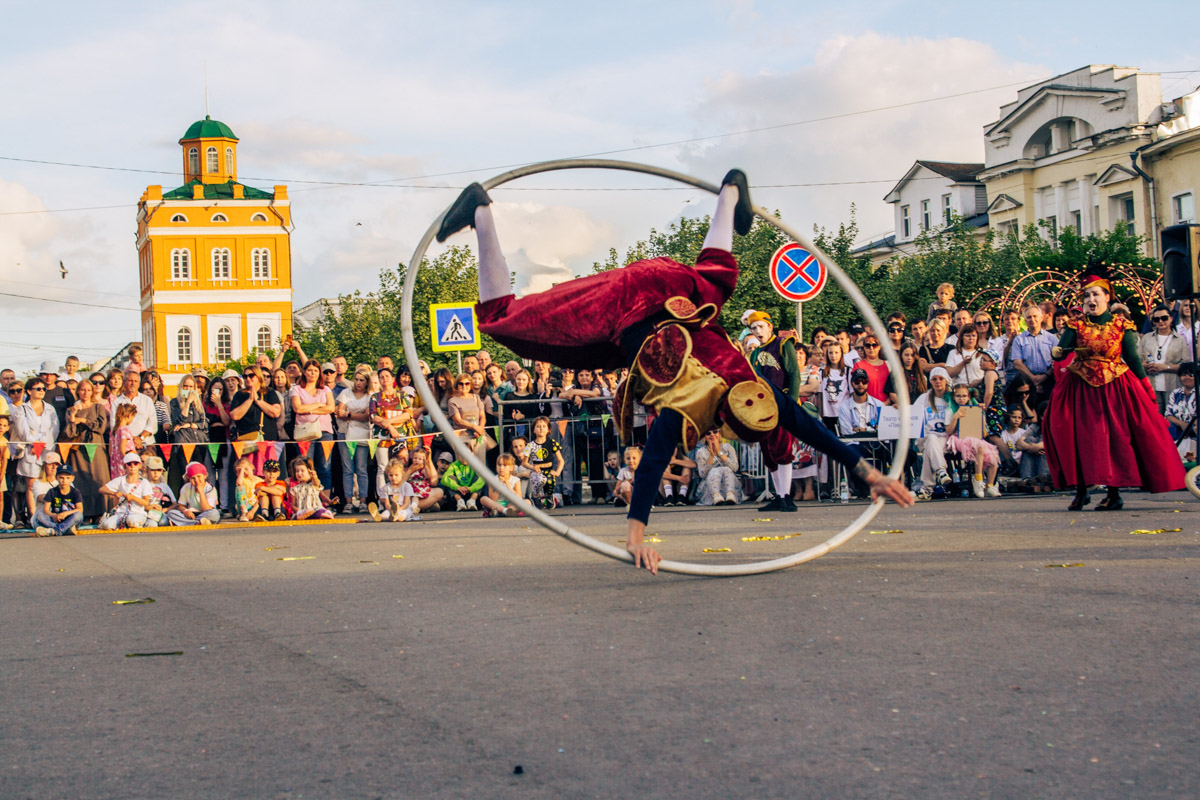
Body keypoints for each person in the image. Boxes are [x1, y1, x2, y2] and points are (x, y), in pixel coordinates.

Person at [439, 170, 911, 573]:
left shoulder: (753, 383)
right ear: (728, 421)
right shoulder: (695, 405)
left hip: (679, 289)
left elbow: (804, 424)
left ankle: (730, 191)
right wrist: (635, 534)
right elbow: (652, 463)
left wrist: (867, 471)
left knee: (716, 275)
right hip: (628, 301)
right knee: (507, 320)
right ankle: (481, 211)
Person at [1046, 268, 1185, 510]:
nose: (1091, 300)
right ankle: (1081, 490)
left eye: (1096, 294)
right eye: (1087, 296)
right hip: (1081, 387)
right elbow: (1062, 350)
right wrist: (1059, 351)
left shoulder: (1123, 325)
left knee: (1115, 438)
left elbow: (1132, 359)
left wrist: (1147, 391)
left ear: (1107, 297)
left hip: (1115, 388)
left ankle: (1114, 492)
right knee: (1077, 436)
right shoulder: (1075, 324)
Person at [747, 310, 801, 512]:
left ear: (770, 326)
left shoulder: (783, 344)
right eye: (753, 328)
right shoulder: (754, 353)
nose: (757, 331)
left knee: (783, 450)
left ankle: (786, 496)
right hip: (763, 409)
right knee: (769, 453)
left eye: (761, 326)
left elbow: (794, 373)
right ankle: (779, 496)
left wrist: (792, 402)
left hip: (782, 405)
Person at [63, 375, 110, 522]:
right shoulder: (71, 409)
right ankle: (85, 513)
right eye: (82, 390)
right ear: (78, 392)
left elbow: (101, 428)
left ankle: (100, 512)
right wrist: (73, 417)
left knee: (98, 478)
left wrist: (83, 420)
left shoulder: (98, 407)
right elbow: (70, 433)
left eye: (88, 390)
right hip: (79, 448)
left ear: (92, 392)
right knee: (81, 480)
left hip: (96, 447)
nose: (85, 393)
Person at [16, 377, 61, 525]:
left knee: (49, 482)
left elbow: (54, 429)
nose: (42, 391)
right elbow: (23, 432)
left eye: (43, 389)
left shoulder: (50, 408)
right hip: (31, 451)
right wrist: (35, 442)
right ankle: (33, 516)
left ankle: (49, 514)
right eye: (38, 389)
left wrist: (44, 443)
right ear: (29, 391)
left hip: (47, 449)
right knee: (31, 485)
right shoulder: (22, 409)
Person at [945, 384, 1001, 498]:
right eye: (958, 396)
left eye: (964, 396)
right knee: (978, 447)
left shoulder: (975, 408)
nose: (961, 398)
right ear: (954, 397)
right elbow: (949, 431)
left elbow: (984, 432)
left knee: (993, 455)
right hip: (959, 437)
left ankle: (990, 485)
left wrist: (981, 414)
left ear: (969, 397)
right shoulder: (950, 409)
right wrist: (956, 417)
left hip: (975, 437)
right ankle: (978, 480)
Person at [290, 360, 336, 493]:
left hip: (325, 430)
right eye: (310, 370)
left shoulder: (325, 389)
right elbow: (298, 408)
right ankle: (305, 498)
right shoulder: (297, 389)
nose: (313, 373)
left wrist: (308, 410)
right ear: (304, 372)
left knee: (325, 467)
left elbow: (331, 408)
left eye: (316, 371)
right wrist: (318, 405)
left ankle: (325, 501)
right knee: (305, 466)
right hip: (305, 431)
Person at [1138, 304, 1189, 414]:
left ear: (1171, 318)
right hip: (1151, 386)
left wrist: (1164, 367)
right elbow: (1138, 359)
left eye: (1164, 318)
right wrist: (1145, 365)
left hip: (1172, 385)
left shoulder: (1180, 340)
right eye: (1156, 319)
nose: (1160, 321)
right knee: (1154, 419)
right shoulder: (1146, 338)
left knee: (1172, 419)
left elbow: (1185, 365)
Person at [335, 369, 373, 512]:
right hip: (345, 433)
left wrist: (349, 414)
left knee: (361, 468)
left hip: (362, 433)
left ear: (367, 382)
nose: (358, 383)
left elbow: (368, 416)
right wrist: (357, 414)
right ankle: (348, 501)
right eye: (356, 379)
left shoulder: (370, 396)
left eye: (362, 380)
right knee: (347, 469)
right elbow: (340, 413)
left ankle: (363, 501)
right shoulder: (346, 393)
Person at [1011, 304, 1058, 403]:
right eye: (1029, 317)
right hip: (1026, 382)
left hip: (1049, 380)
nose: (1032, 319)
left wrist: (1044, 376)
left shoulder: (1052, 338)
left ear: (1041, 318)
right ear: (1025, 320)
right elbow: (1017, 363)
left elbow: (1057, 361)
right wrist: (1033, 378)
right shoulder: (1019, 340)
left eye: (1035, 316)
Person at [99, 452, 153, 529]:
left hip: (137, 513)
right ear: (125, 466)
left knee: (132, 521)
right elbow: (102, 489)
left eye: (135, 463)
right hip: (121, 513)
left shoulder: (144, 482)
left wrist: (133, 497)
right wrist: (114, 493)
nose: (132, 466)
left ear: (139, 465)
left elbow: (146, 502)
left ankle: (144, 523)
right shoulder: (120, 480)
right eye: (129, 464)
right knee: (107, 525)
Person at [522, 416, 564, 509]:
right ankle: (535, 496)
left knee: (550, 481)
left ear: (548, 430)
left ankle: (549, 496)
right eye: (538, 426)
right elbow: (524, 463)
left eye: (544, 426)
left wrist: (557, 472)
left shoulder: (552, 443)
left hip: (548, 470)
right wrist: (533, 467)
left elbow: (561, 460)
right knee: (541, 480)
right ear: (534, 430)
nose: (541, 428)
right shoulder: (530, 445)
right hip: (536, 472)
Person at [33, 463, 83, 537]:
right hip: (56, 519)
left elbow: (80, 509)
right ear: (56, 478)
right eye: (61, 478)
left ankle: (55, 531)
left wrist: (66, 514)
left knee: (78, 515)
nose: (64, 481)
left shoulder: (75, 492)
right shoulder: (52, 491)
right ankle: (65, 530)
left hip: (69, 518)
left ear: (72, 478)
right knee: (39, 515)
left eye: (67, 478)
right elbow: (46, 510)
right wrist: (53, 515)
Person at [695, 429, 740, 506]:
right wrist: (711, 456)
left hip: (730, 485)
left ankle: (730, 494)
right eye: (708, 433)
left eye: (715, 432)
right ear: (705, 437)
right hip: (709, 488)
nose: (712, 435)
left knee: (726, 469)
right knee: (715, 470)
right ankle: (716, 495)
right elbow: (702, 474)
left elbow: (735, 468)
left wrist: (719, 452)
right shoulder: (701, 452)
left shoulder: (728, 447)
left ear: (719, 434)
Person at [884, 341, 927, 407]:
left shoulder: (920, 374)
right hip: (903, 408)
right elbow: (892, 394)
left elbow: (924, 393)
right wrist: (904, 406)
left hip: (918, 409)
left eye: (912, 355)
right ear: (901, 355)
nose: (909, 358)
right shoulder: (895, 373)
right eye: (906, 355)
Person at [945, 323, 984, 388]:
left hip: (978, 388)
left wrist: (979, 381)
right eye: (968, 336)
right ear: (962, 337)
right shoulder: (953, 353)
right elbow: (949, 374)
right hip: (959, 389)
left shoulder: (983, 353)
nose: (971, 338)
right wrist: (963, 363)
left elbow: (989, 373)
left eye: (974, 336)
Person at [141, 456, 176, 527]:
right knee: (152, 524)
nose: (156, 473)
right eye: (153, 470)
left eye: (159, 470)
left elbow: (175, 504)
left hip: (160, 513)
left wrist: (164, 509)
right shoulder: (142, 484)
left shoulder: (164, 486)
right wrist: (150, 507)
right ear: (147, 470)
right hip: (146, 513)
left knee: (164, 522)